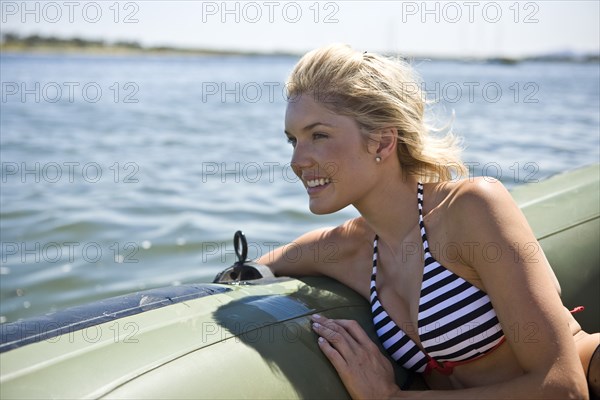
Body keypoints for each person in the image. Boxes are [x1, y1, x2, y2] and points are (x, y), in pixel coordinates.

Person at [256, 44, 599, 399]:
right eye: (292, 140)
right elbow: (256, 269)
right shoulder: (345, 247)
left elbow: (565, 388)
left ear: (383, 142)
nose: (298, 160)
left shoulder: (469, 207)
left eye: (319, 135)